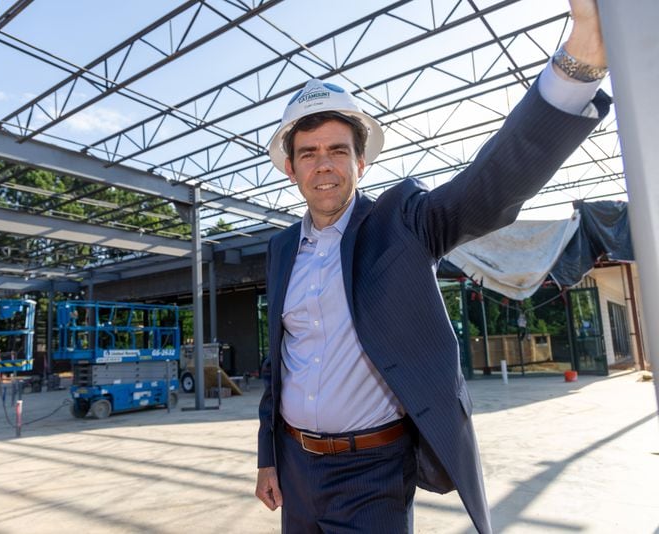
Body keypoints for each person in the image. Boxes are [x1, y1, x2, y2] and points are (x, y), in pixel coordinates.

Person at [255, 1, 610, 532]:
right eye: (307, 153)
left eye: (336, 150)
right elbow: (279, 364)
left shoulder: (402, 224)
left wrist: (580, 64)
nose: (322, 164)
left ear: (361, 161)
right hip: (296, 469)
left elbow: (488, 189)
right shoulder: (282, 248)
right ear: (290, 168)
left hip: (372, 473)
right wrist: (268, 455)